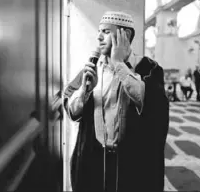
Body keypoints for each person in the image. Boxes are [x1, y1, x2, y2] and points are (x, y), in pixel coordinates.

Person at [63, 11, 169, 192]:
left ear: (124, 36)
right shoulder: (93, 67)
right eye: (99, 31)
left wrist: (119, 64)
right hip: (93, 161)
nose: (98, 37)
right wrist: (85, 92)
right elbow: (72, 110)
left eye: (105, 31)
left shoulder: (149, 68)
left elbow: (153, 106)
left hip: (132, 164)